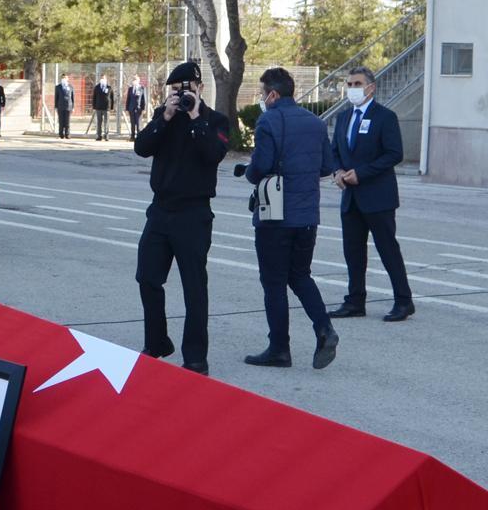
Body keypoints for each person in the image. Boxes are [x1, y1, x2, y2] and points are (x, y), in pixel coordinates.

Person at [134, 59, 231, 375]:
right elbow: (142, 147)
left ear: (201, 89)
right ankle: (157, 341)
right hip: (160, 211)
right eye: (176, 90)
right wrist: (165, 115)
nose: (182, 94)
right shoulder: (165, 118)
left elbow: (213, 154)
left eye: (187, 88)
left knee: (194, 288)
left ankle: (195, 357)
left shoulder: (216, 121)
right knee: (148, 278)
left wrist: (194, 116)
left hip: (193, 214)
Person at [241, 67, 339, 370]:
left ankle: (279, 349)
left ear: (273, 94)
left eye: (262, 93)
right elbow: (326, 166)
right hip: (307, 215)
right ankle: (324, 328)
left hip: (275, 216)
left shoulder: (268, 119)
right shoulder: (315, 122)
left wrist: (249, 171)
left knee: (273, 282)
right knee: (300, 276)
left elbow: (261, 166)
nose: (261, 99)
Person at [328, 65, 415, 323]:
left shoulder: (384, 117)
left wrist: (361, 173)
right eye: (349, 84)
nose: (352, 89)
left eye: (357, 84)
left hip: (377, 196)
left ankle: (403, 301)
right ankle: (355, 300)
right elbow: (334, 151)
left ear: (370, 87)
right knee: (353, 251)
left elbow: (394, 154)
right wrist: (337, 171)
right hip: (351, 197)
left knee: (387, 249)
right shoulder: (344, 118)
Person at [92, 74, 115, 141]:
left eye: (104, 78)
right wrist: (94, 107)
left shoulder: (109, 87)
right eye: (101, 78)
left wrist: (112, 107)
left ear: (106, 79)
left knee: (106, 122)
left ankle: (106, 135)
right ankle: (99, 135)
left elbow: (112, 98)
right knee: (99, 122)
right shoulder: (97, 87)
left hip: (106, 108)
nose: (102, 79)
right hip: (98, 107)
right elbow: (94, 98)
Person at [54, 74, 75, 139]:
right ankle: (61, 134)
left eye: (65, 78)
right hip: (60, 106)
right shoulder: (58, 87)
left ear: (67, 79)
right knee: (61, 121)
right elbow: (56, 97)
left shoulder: (71, 87)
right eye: (63, 78)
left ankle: (67, 134)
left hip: (68, 106)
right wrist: (56, 106)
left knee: (67, 121)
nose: (64, 79)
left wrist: (73, 107)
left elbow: (72, 97)